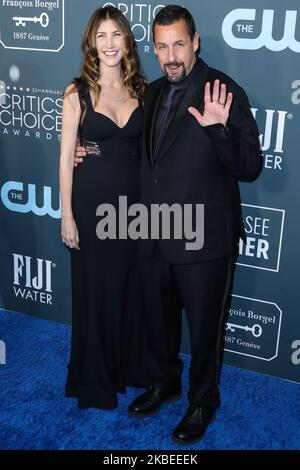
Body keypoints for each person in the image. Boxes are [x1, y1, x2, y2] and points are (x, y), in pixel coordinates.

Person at [75, 4, 261, 445]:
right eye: (162, 46)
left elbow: (251, 165)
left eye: (179, 44)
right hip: (153, 231)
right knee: (157, 321)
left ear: (195, 42)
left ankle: (202, 401)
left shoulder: (223, 90)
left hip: (204, 237)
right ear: (154, 49)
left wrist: (219, 130)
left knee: (203, 329)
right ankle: (165, 381)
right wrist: (87, 153)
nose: (171, 55)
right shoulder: (152, 91)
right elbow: (129, 150)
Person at [59, 6, 147, 410]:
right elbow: (64, 160)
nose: (109, 44)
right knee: (96, 291)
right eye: (101, 36)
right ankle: (95, 378)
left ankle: (129, 368)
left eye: (117, 35)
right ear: (91, 43)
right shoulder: (76, 91)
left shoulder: (144, 89)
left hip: (134, 210)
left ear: (127, 40)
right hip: (91, 207)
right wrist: (67, 215)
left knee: (128, 289)